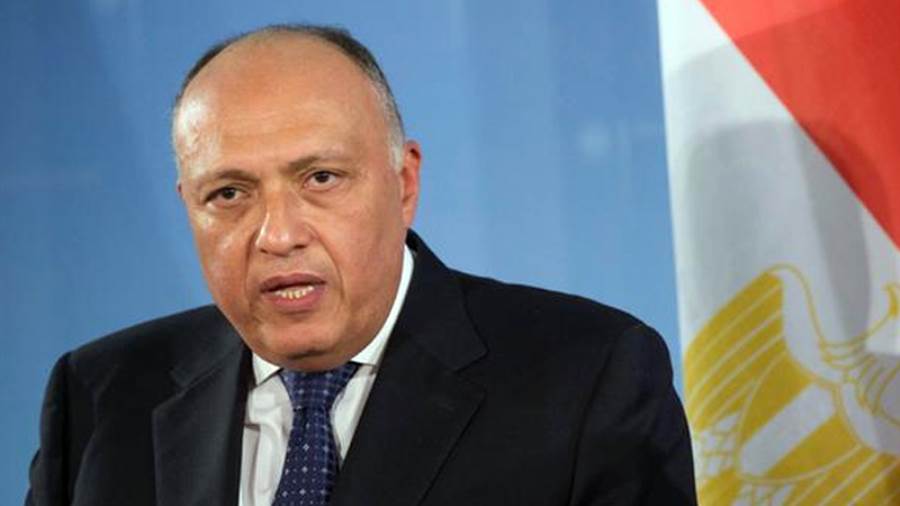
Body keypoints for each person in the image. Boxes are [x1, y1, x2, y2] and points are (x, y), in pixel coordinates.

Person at [26, 24, 696, 506]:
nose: (278, 235)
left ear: (404, 183)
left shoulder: (587, 379)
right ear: (188, 206)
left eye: (320, 178)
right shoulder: (101, 395)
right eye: (228, 194)